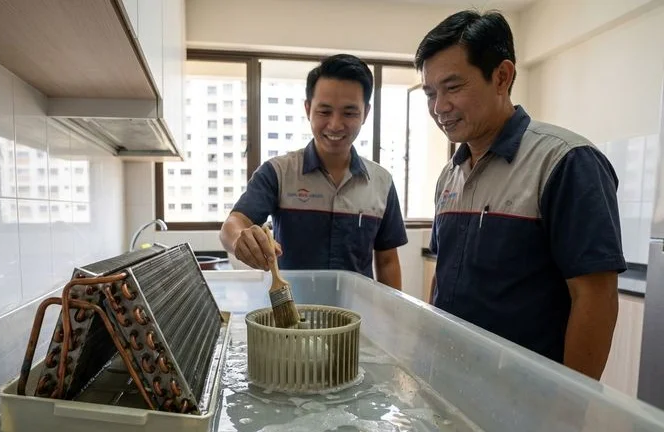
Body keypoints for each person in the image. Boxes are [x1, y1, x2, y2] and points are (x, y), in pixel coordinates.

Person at [416, 10, 626, 380]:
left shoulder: (565, 162)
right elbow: (444, 277)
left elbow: (596, 298)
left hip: (528, 394)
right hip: (451, 380)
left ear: (502, 76)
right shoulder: (450, 174)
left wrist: (567, 406)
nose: (439, 107)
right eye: (431, 93)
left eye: (453, 87)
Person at [219, 54, 408, 289]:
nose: (335, 124)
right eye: (324, 111)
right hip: (293, 315)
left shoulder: (382, 182)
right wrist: (240, 239)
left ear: (366, 113)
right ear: (308, 109)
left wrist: (393, 317)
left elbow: (387, 260)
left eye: (349, 113)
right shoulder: (278, 172)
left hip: (358, 318)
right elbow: (233, 224)